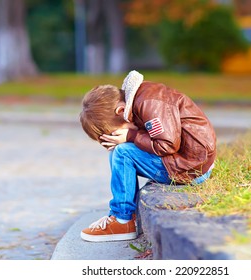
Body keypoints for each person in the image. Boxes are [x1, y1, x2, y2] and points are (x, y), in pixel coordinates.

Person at [79, 70, 216, 242]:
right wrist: (126, 137)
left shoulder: (149, 103)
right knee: (118, 149)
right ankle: (118, 215)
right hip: (186, 161)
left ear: (121, 111)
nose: (116, 137)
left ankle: (123, 221)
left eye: (114, 133)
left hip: (192, 169)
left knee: (122, 152)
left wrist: (131, 136)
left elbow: (167, 144)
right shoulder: (138, 100)